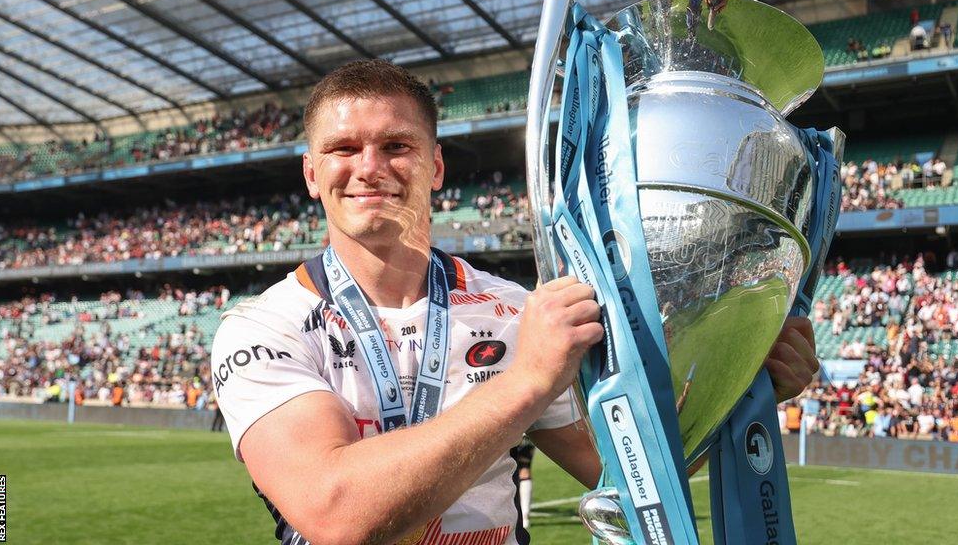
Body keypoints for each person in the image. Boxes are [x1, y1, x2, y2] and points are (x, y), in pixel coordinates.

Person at [211, 59, 819, 545]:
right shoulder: (265, 326)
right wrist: (525, 381)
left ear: (436, 166)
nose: (370, 167)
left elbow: (625, 470)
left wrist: (740, 388)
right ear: (312, 173)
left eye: (397, 145)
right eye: (344, 149)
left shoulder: (513, 309)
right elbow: (335, 514)